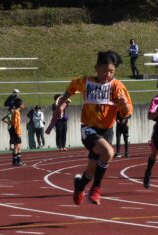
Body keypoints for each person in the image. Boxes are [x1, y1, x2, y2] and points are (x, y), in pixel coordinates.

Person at [53, 50, 133, 206]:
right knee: (109, 152)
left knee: (92, 169)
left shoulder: (117, 87)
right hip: (89, 129)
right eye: (104, 70)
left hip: (107, 131)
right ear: (97, 68)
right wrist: (62, 102)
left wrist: (124, 106)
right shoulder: (86, 82)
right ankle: (96, 189)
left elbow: (127, 113)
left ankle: (80, 186)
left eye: (111, 72)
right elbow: (72, 87)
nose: (107, 75)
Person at [10, 98, 25, 166]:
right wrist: (17, 133)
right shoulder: (16, 112)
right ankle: (16, 161)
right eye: (23, 104)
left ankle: (16, 160)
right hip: (16, 130)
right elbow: (16, 123)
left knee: (18, 146)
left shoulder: (16, 112)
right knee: (17, 146)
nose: (24, 105)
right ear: (20, 105)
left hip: (15, 130)